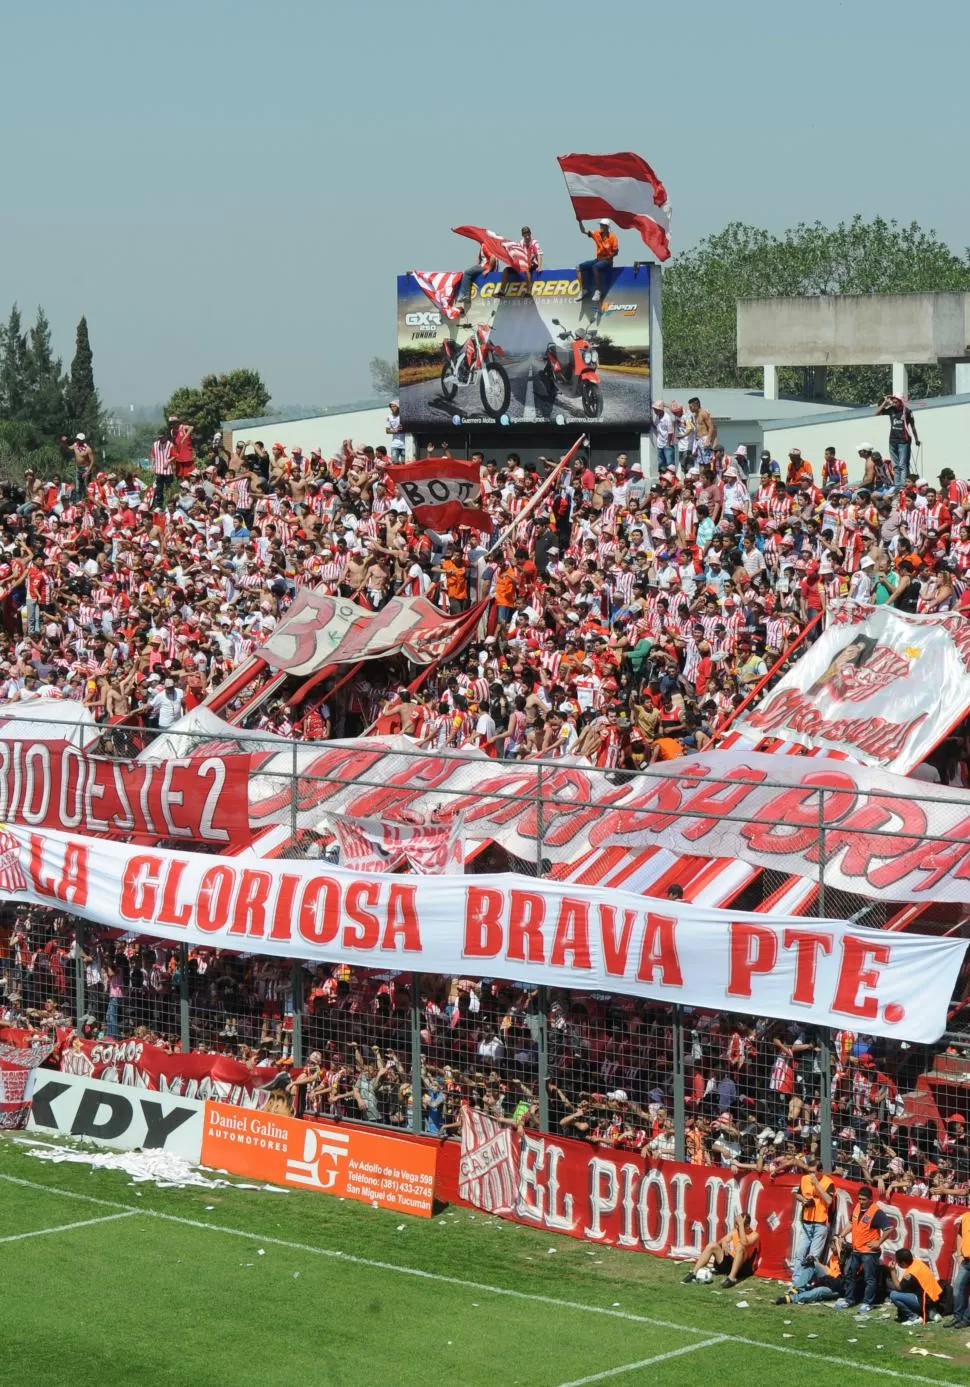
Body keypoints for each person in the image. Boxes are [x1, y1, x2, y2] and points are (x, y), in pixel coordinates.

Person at [834, 1185, 892, 1313]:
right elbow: (851, 1223)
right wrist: (841, 1235)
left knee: (869, 1278)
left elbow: (888, 1229)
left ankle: (868, 1302)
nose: (861, 1201)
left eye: (864, 1199)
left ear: (871, 1199)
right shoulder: (857, 1208)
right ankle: (849, 1299)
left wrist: (879, 1242)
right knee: (850, 1275)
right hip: (856, 1250)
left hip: (869, 1252)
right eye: (859, 1199)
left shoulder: (876, 1212)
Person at [789, 1158, 835, 1290]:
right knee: (800, 1253)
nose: (811, 1175)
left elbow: (828, 1201)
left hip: (820, 1223)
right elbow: (798, 1195)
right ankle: (796, 1282)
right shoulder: (804, 1179)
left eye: (814, 1172)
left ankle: (805, 1282)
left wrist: (817, 1185)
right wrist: (803, 1200)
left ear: (820, 1171)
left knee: (812, 1257)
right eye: (809, 1172)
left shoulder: (828, 1182)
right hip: (807, 1221)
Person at [682, 1212, 760, 1288]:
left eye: (739, 1224)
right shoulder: (735, 1231)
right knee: (712, 1245)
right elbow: (718, 1243)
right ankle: (694, 1273)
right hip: (730, 1263)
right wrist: (724, 1242)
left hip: (743, 1267)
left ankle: (731, 1279)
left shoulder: (755, 1235)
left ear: (747, 1226)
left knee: (740, 1247)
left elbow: (744, 1243)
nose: (736, 1227)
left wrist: (741, 1226)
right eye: (736, 1224)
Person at [888, 1247, 945, 1324]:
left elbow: (899, 1287)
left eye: (898, 1262)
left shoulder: (911, 1274)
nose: (897, 1264)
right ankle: (931, 1311)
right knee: (906, 1292)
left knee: (893, 1295)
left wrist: (892, 1271)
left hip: (925, 1301)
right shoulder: (918, 1263)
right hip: (933, 1299)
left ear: (904, 1263)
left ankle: (914, 1317)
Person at [876, 392, 919, 489]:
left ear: (900, 401)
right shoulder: (891, 410)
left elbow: (913, 426)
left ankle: (903, 485)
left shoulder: (907, 411)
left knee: (902, 465)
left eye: (896, 401)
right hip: (892, 440)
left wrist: (916, 439)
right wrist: (885, 401)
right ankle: (897, 485)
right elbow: (877, 412)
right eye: (893, 401)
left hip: (903, 441)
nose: (894, 403)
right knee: (895, 465)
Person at [576, 217, 619, 303]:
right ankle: (583, 290)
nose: (601, 227)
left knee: (595, 267)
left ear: (607, 227)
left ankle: (598, 291)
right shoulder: (597, 234)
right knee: (579, 267)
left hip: (607, 261)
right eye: (600, 225)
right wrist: (580, 221)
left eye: (602, 225)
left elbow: (616, 252)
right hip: (598, 259)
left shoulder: (613, 237)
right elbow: (583, 231)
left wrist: (608, 258)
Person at [496, 226, 542, 298]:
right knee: (506, 270)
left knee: (527, 269)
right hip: (523, 264)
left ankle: (529, 292)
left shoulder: (534, 242)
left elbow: (538, 254)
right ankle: (502, 291)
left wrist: (539, 266)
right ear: (522, 235)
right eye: (525, 234)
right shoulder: (521, 242)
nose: (527, 236)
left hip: (532, 264)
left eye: (528, 234)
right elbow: (518, 252)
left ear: (530, 233)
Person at [952, 1207, 970, 1327]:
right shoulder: (965, 1217)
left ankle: (966, 1319)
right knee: (958, 1286)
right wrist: (959, 1255)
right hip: (966, 1260)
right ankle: (957, 1316)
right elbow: (959, 1235)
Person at [150, 427, 175, 507]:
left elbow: (174, 455)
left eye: (162, 437)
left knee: (168, 487)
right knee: (159, 488)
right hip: (158, 469)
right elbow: (153, 456)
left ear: (165, 436)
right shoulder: (155, 444)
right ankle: (159, 505)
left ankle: (169, 504)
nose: (160, 439)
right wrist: (152, 465)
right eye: (159, 437)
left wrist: (168, 461)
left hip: (168, 470)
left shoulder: (170, 444)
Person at [687, 397, 716, 465]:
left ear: (696, 405)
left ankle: (707, 475)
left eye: (691, 407)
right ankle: (702, 475)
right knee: (700, 462)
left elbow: (711, 427)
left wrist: (708, 440)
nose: (690, 409)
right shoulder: (695, 415)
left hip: (705, 439)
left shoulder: (704, 413)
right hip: (698, 440)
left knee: (706, 463)